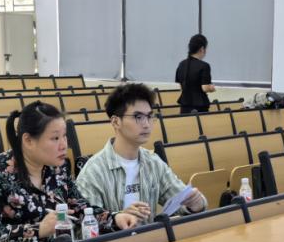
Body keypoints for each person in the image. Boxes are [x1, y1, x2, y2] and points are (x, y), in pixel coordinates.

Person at [0, 101, 137, 242]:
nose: (64, 145)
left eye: (64, 136)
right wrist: (39, 229)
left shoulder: (57, 168)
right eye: (55, 138)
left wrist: (115, 218)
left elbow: (80, 209)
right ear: (28, 140)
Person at [76, 83, 206, 223]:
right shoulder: (93, 172)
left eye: (149, 116)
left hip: (150, 237)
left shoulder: (153, 163)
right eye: (138, 117)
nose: (146, 124)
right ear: (116, 122)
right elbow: (85, 226)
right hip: (114, 238)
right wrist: (116, 219)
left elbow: (181, 201)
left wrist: (196, 204)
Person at [175, 34, 215, 114]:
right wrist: (211, 88)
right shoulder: (204, 66)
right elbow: (205, 88)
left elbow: (181, 87)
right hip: (200, 106)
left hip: (184, 105)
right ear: (202, 49)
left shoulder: (181, 64)